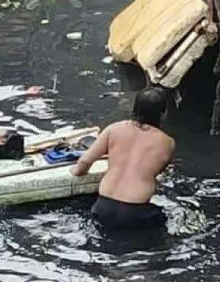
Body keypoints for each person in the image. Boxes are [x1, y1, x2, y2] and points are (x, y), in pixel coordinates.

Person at [70, 87, 175, 231]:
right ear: (163, 113)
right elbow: (159, 171)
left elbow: (84, 161)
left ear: (135, 108)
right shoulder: (167, 142)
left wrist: (77, 171)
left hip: (102, 208)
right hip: (137, 213)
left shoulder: (113, 129)